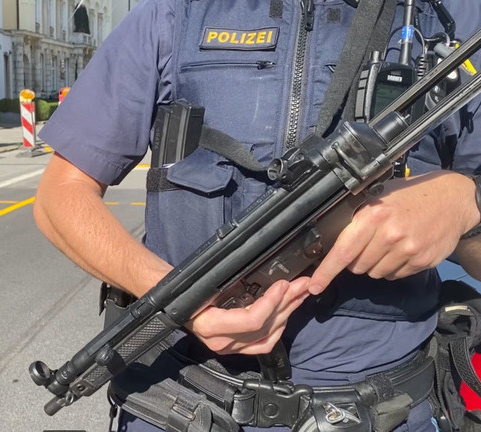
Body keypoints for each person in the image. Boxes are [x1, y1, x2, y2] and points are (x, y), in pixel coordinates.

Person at [33, 1, 481, 431]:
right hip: (184, 408)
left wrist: (465, 206)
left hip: (387, 412)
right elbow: (61, 199)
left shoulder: (454, 20)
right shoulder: (174, 13)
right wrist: (182, 304)